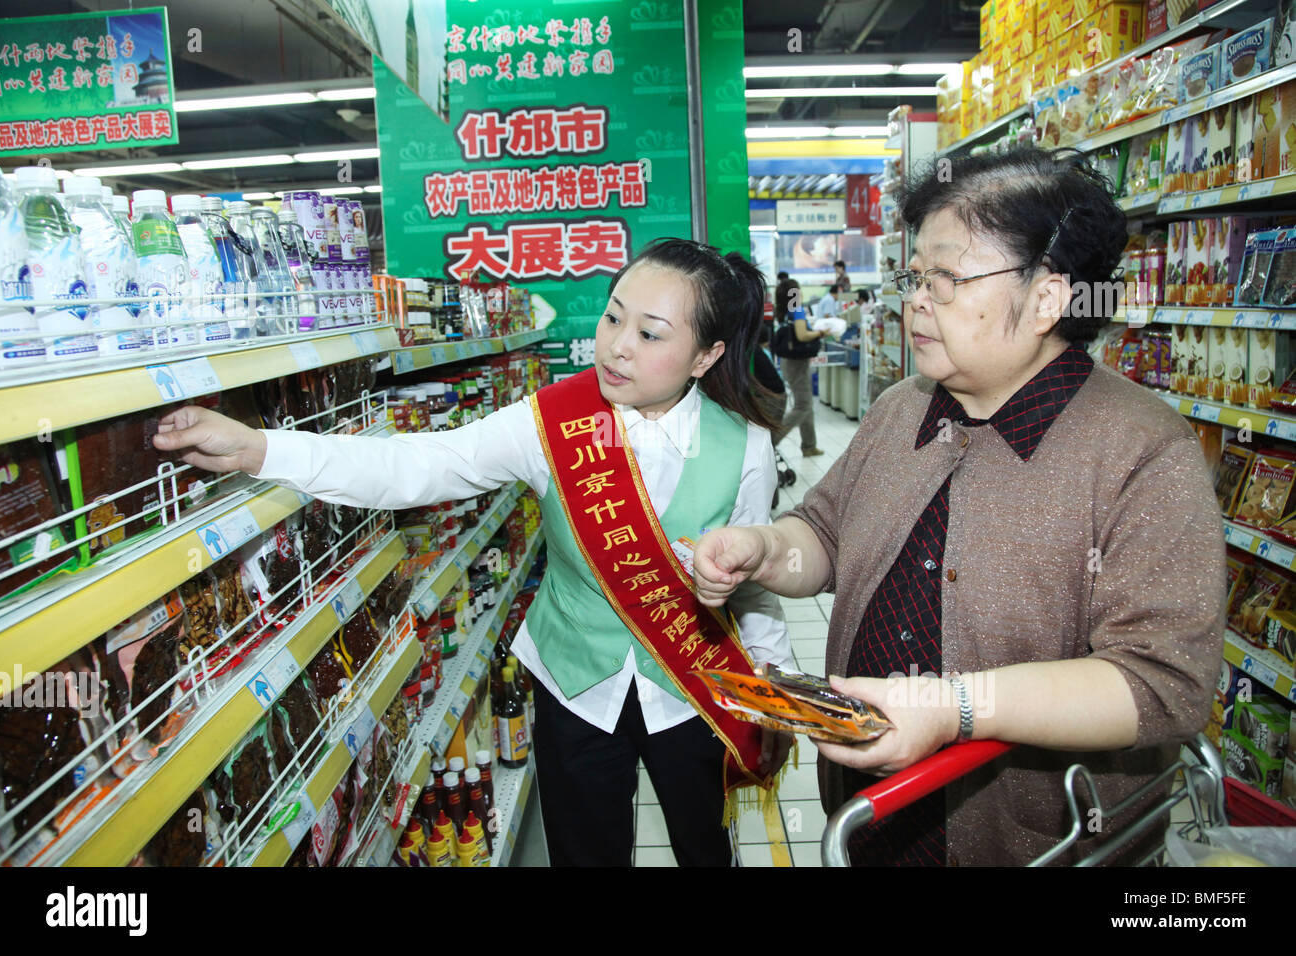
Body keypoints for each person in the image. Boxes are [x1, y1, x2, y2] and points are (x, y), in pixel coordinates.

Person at [153, 238, 795, 867]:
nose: (617, 345)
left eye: (650, 334)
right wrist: (260, 450)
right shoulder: (551, 421)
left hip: (693, 686)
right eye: (612, 316)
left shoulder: (744, 446)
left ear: (706, 356)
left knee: (704, 846)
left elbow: (757, 582)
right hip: (573, 689)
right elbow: (419, 464)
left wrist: (774, 683)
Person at [691, 147, 1224, 866]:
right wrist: (766, 549)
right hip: (870, 816)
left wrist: (954, 707)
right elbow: (822, 532)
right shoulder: (897, 411)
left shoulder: (1142, 451)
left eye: (946, 279)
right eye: (916, 277)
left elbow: (1164, 684)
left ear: (1047, 297)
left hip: (1030, 840)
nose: (916, 301)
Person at [774, 302, 828, 458]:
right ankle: (772, 439)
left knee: (807, 405)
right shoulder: (796, 309)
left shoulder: (784, 309)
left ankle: (809, 445)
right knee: (803, 405)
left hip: (790, 361)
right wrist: (820, 333)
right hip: (797, 363)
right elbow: (802, 335)